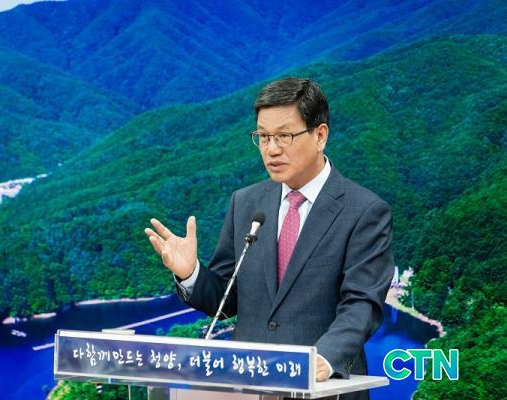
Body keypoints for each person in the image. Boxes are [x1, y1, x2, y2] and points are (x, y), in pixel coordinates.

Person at [145, 77, 394, 400]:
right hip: (247, 389)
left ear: (320, 135)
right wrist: (190, 272)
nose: (272, 149)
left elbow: (362, 304)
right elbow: (226, 300)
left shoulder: (365, 211)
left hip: (324, 390)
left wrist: (322, 358)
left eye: (284, 136)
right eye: (263, 137)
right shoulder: (245, 203)